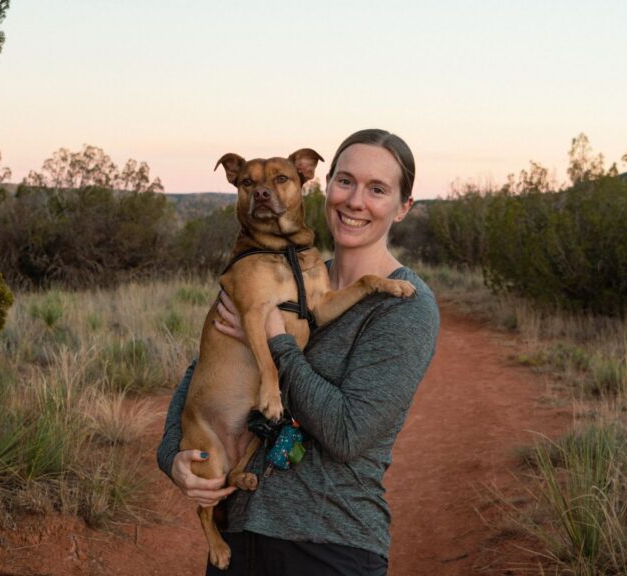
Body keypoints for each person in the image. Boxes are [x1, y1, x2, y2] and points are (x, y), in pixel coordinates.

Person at [157, 129, 440, 575]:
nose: (354, 200)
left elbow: (347, 433)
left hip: (329, 545)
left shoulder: (404, 307)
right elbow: (204, 370)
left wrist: (281, 346)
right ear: (324, 186)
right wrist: (173, 455)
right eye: (345, 181)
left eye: (378, 189)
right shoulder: (283, 273)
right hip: (241, 534)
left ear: (404, 207)